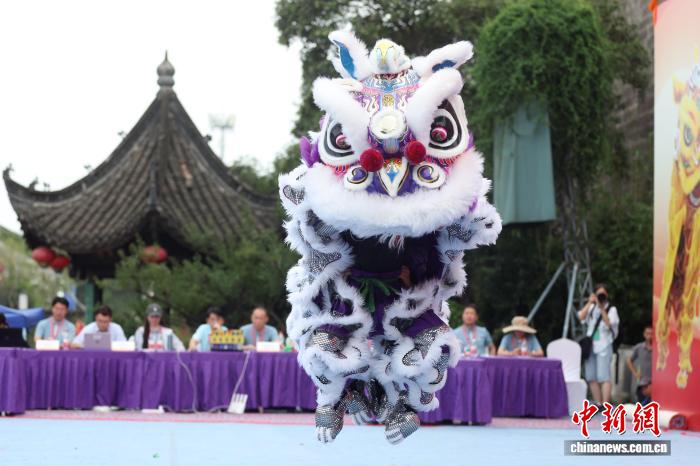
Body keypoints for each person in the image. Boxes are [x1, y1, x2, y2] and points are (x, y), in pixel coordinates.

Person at [577, 283, 620, 406]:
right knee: (591, 376)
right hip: (591, 345)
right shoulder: (591, 308)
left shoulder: (611, 309)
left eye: (603, 294)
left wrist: (602, 308)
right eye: (598, 294)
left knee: (604, 376)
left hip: (604, 345)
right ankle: (598, 403)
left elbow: (608, 324)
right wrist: (590, 302)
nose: (601, 296)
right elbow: (581, 317)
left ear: (607, 295)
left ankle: (605, 405)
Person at [627, 324, 653, 405]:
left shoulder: (659, 348)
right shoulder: (639, 347)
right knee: (641, 407)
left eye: (651, 334)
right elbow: (629, 360)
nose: (649, 336)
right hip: (643, 383)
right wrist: (635, 373)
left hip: (655, 383)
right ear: (644, 334)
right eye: (647, 333)